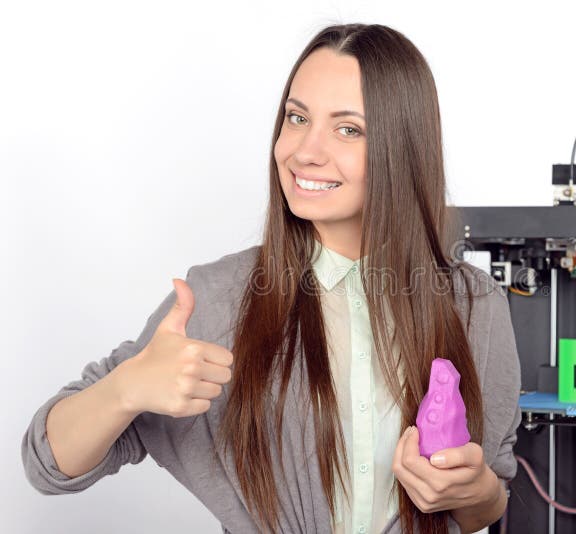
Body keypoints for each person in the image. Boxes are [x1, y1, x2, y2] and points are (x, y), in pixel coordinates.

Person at [21, 23, 521, 534]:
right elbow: (47, 465)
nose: (304, 150)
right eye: (297, 118)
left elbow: (489, 501)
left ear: (404, 148)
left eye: (348, 129)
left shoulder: (474, 304)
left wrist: (477, 489)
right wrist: (124, 389)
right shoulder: (218, 300)